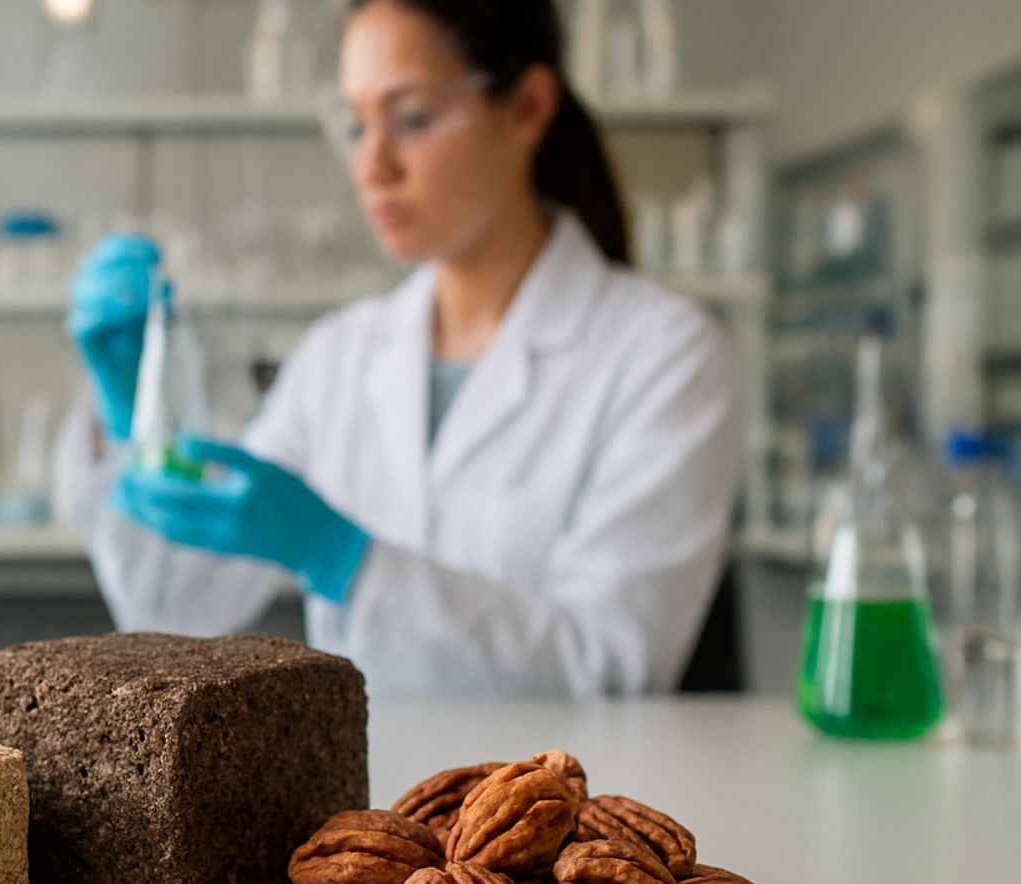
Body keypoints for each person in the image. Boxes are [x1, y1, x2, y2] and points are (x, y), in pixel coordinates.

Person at [63, 0, 739, 697]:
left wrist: (347, 560)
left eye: (412, 118)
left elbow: (613, 668)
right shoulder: (339, 356)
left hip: (551, 771)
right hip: (365, 770)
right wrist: (132, 425)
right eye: (356, 125)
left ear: (528, 108)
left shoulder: (665, 355)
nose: (372, 164)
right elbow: (175, 605)